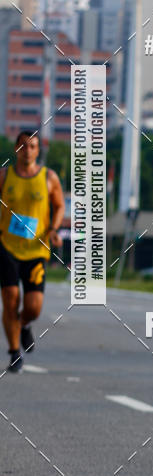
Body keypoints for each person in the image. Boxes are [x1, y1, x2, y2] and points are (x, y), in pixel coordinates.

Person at [0, 131, 64, 373]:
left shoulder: (49, 177)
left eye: (33, 146)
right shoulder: (5, 176)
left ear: (38, 150)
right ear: (16, 148)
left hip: (37, 249)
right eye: (23, 146)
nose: (28, 150)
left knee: (33, 306)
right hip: (7, 246)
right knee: (10, 298)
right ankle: (14, 352)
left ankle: (24, 325)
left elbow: (58, 206)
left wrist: (55, 228)